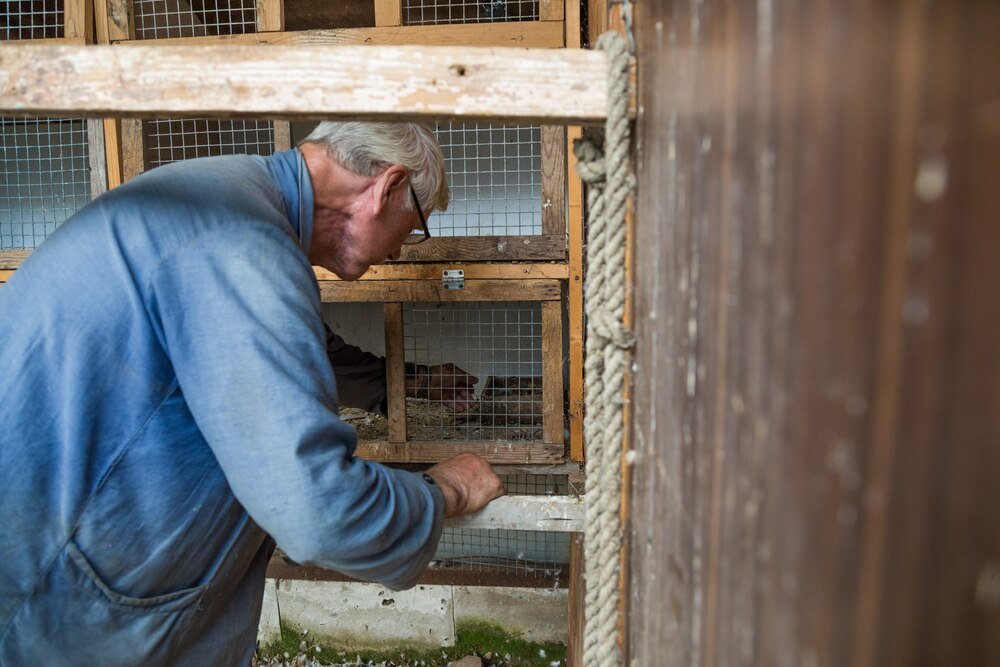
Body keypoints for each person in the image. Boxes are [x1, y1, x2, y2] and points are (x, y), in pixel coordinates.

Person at [0, 121, 506, 665]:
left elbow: (290, 352)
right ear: (387, 187)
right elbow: (316, 508)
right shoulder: (240, 239)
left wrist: (417, 383)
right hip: (63, 603)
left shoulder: (228, 200)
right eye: (413, 227)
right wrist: (442, 492)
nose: (401, 254)